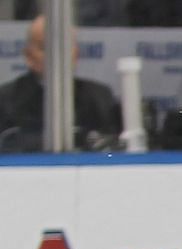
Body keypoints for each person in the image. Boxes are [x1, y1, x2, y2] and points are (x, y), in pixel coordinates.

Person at [0, 14, 122, 152]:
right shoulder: (5, 100)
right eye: (45, 47)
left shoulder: (99, 98)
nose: (56, 54)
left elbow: (112, 153)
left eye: (64, 46)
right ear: (29, 56)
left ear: (76, 55)